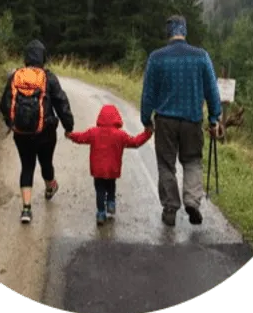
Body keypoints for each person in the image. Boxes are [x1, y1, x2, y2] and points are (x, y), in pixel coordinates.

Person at [140, 15, 222, 227]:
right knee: (193, 161)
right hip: (192, 120)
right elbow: (212, 91)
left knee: (166, 165)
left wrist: (145, 119)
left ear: (168, 33)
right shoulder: (201, 56)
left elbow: (148, 93)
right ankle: (192, 201)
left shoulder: (156, 58)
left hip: (166, 121)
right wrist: (214, 118)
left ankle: (170, 207)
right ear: (184, 31)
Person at [0, 39, 74, 224]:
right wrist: (68, 127)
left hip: (21, 133)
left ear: (26, 57)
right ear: (43, 57)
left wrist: (11, 122)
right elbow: (61, 103)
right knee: (46, 162)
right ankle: (50, 186)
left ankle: (26, 209)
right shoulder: (48, 78)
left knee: (27, 166)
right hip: (46, 131)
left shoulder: (15, 76)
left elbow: (4, 104)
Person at [65, 104, 152, 226]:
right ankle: (111, 203)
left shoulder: (93, 132)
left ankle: (101, 213)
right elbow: (135, 142)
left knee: (99, 190)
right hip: (112, 169)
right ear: (117, 118)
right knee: (111, 185)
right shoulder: (120, 135)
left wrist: (70, 135)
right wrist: (147, 134)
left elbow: (81, 138)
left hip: (98, 170)